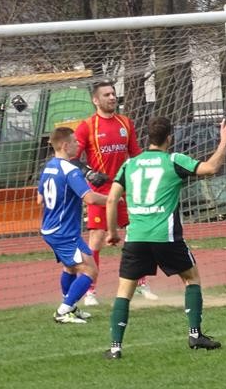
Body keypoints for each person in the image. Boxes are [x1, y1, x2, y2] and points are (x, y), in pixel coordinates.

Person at [103, 117, 226, 359]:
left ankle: (115, 348)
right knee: (191, 278)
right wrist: (224, 141)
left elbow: (111, 199)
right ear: (169, 138)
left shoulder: (130, 164)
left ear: (148, 138)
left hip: (136, 237)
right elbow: (211, 168)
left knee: (124, 290)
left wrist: (112, 232)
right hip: (166, 236)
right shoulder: (174, 160)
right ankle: (195, 334)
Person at [74, 81, 159, 306]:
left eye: (113, 94)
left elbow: (136, 154)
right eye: (106, 95)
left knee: (137, 236)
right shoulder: (87, 126)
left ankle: (141, 284)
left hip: (125, 190)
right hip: (100, 193)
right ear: (95, 100)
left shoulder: (125, 123)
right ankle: (90, 291)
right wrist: (89, 173)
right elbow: (73, 158)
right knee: (97, 239)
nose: (112, 98)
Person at [37, 127, 109, 324]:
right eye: (75, 141)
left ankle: (70, 307)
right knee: (90, 270)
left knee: (70, 268)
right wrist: (112, 199)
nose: (78, 145)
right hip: (64, 231)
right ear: (64, 145)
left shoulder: (48, 167)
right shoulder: (70, 170)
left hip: (50, 228)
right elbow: (90, 198)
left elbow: (39, 199)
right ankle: (63, 311)